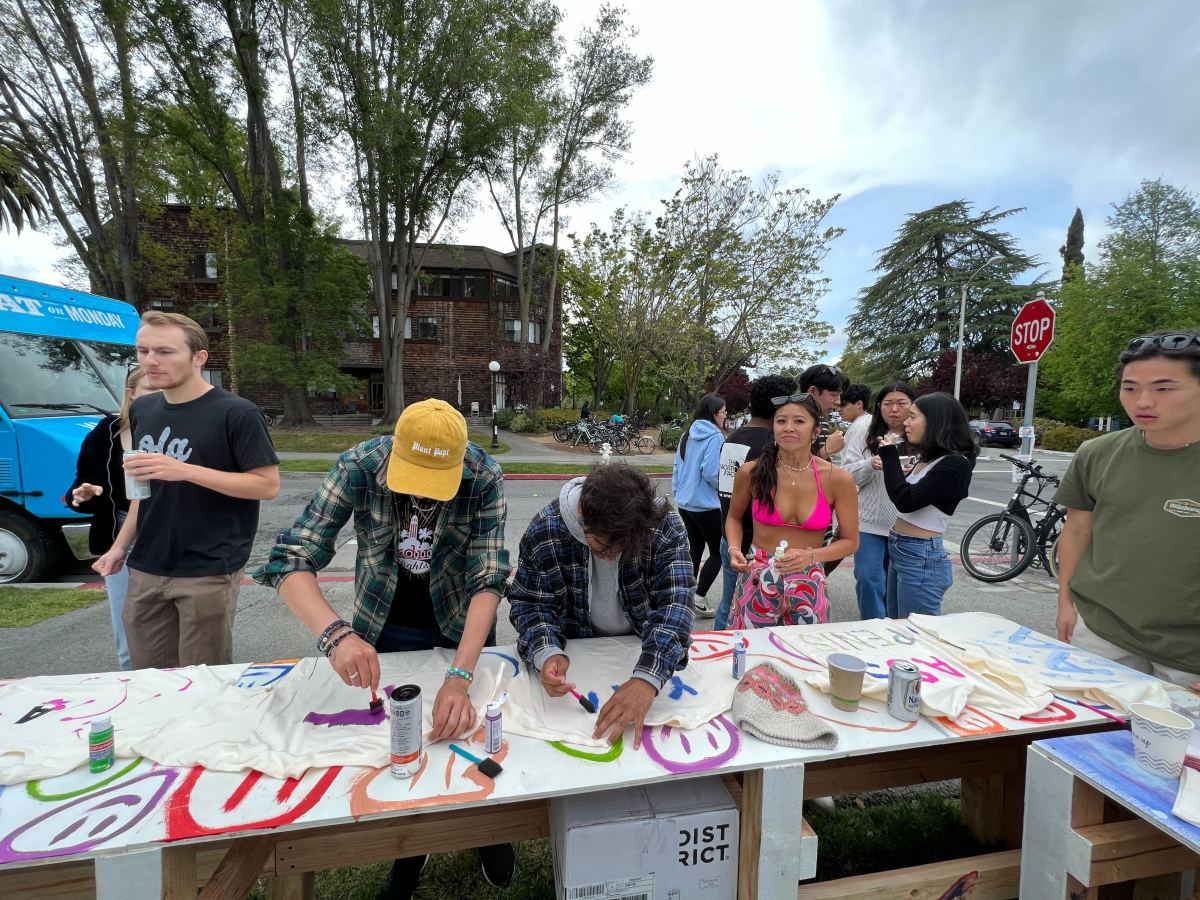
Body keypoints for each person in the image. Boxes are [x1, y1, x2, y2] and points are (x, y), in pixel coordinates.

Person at [252, 398, 516, 897]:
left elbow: (488, 578)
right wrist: (334, 635)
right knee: (401, 742)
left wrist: (461, 674)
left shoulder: (483, 476)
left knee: (474, 729)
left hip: (462, 623)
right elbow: (290, 557)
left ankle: (492, 829)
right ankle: (408, 850)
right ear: (393, 451)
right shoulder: (360, 465)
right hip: (384, 622)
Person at [93, 312, 279, 668]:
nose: (150, 361)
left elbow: (267, 485)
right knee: (147, 677)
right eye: (143, 351)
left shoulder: (237, 413)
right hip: (146, 564)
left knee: (200, 682)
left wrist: (185, 470)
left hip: (207, 568)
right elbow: (141, 492)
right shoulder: (144, 408)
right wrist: (119, 547)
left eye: (165, 351)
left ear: (199, 358)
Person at [509, 462, 695, 749]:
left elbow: (676, 602)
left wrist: (648, 678)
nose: (611, 556)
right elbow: (531, 603)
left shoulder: (663, 524)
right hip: (576, 653)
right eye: (605, 546)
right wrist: (545, 650)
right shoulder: (546, 528)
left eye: (623, 547)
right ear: (583, 514)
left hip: (639, 648)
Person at [1054, 331, 1200, 687]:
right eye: (1130, 387)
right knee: (1084, 737)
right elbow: (1077, 531)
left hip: (1188, 653)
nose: (1143, 401)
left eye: (1164, 388)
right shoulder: (1097, 452)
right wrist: (1065, 603)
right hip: (1103, 631)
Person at [725, 393, 859, 628]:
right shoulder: (751, 472)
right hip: (758, 576)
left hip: (810, 579)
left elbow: (850, 541)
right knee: (749, 652)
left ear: (816, 431)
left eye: (798, 421)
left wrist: (811, 556)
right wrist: (735, 547)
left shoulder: (836, 478)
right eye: (781, 421)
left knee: (805, 656)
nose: (788, 427)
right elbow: (734, 517)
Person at [65, 366, 157, 670]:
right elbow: (80, 486)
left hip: (169, 539)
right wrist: (86, 492)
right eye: (151, 391)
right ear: (131, 394)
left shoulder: (181, 430)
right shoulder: (104, 434)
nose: (160, 398)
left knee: (167, 624)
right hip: (120, 539)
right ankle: (131, 681)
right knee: (126, 624)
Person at [878, 392, 976, 618]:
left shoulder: (955, 465)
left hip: (920, 554)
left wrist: (889, 458)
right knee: (897, 625)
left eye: (912, 417)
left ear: (935, 422)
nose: (905, 423)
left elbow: (905, 501)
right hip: (902, 548)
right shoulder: (929, 459)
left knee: (916, 633)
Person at [715, 375, 797, 629]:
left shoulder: (732, 437)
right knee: (746, 612)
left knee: (727, 604)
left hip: (730, 538)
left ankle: (717, 651)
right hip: (753, 546)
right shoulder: (770, 446)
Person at [841, 383, 916, 620]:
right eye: (887, 403)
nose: (894, 409)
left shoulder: (923, 436)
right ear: (879, 406)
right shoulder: (864, 433)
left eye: (901, 403)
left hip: (906, 523)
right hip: (869, 521)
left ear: (913, 406)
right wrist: (869, 465)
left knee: (898, 585)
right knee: (868, 578)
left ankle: (894, 629)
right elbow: (846, 474)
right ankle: (873, 626)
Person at [671, 393, 727, 617]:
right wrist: (727, 487)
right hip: (707, 505)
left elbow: (677, 467)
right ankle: (698, 598)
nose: (725, 416)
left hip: (685, 503)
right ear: (714, 414)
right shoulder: (715, 437)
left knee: (695, 548)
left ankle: (686, 597)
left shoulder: (687, 435)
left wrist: (679, 492)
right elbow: (712, 472)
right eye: (723, 412)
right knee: (718, 553)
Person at [799, 364, 851, 460]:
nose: (838, 402)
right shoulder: (795, 422)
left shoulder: (822, 418)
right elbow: (792, 468)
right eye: (833, 394)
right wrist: (826, 451)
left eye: (840, 395)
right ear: (813, 392)